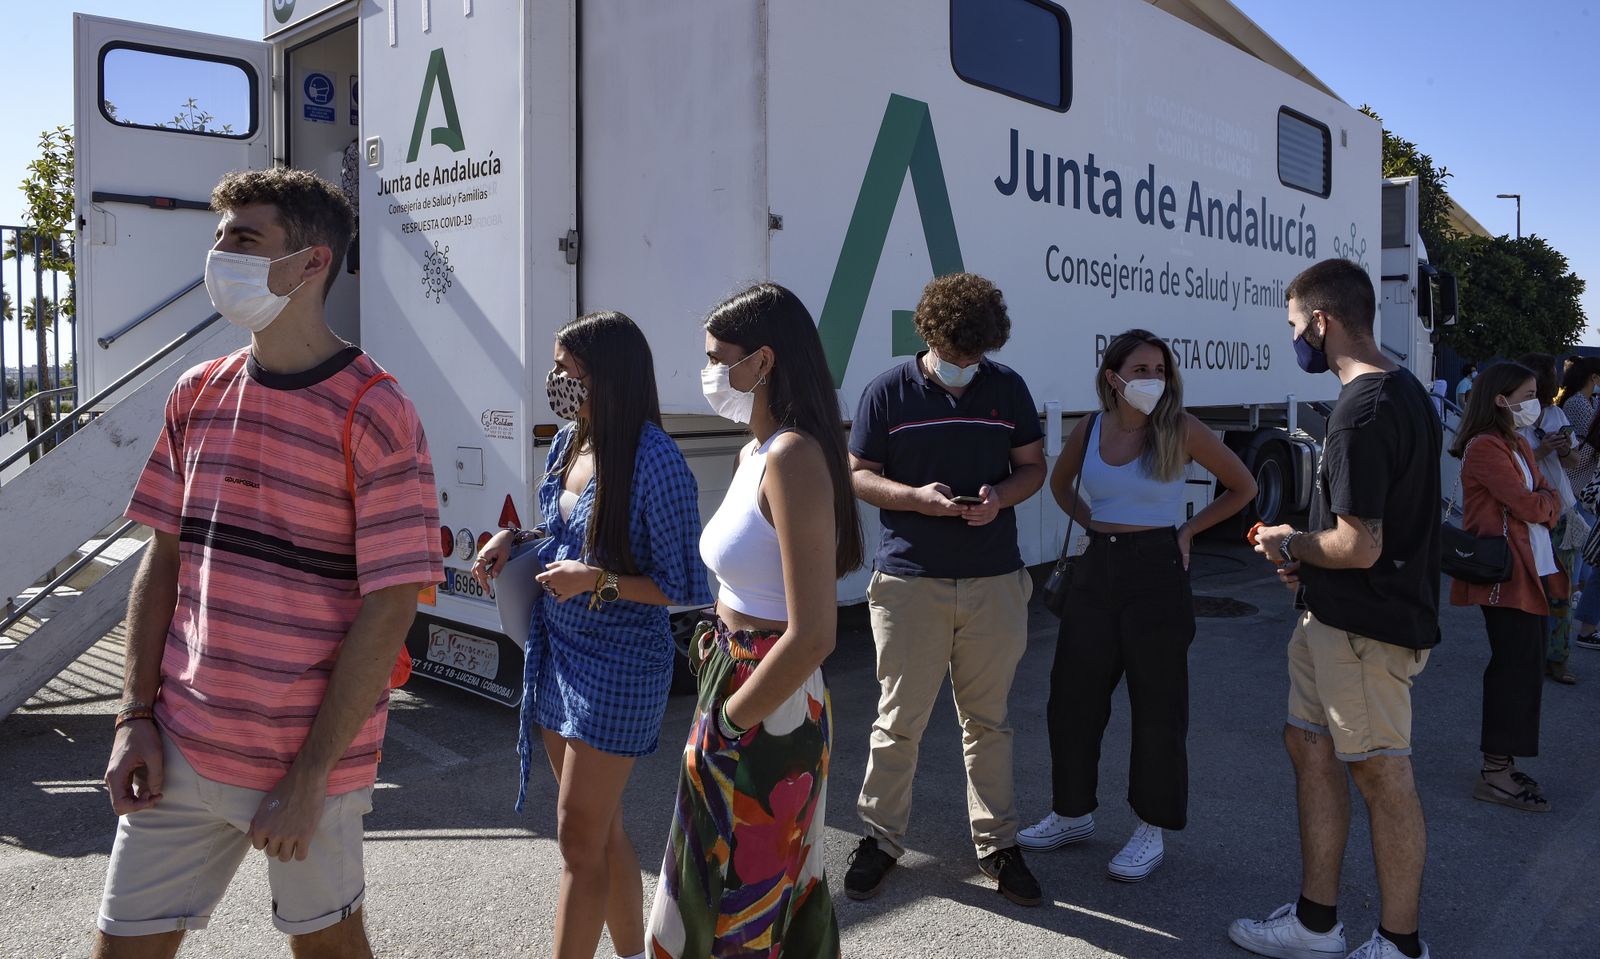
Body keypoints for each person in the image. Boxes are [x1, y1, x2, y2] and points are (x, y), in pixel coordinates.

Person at [94, 169, 444, 958]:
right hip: (180, 744)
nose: (220, 257)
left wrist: (310, 777)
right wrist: (133, 716)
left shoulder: (376, 412)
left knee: (328, 946)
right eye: (219, 239)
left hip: (306, 765)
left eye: (244, 240)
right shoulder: (196, 393)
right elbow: (164, 560)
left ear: (313, 262)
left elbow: (390, 606)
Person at [474, 312, 712, 959]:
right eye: (557, 367)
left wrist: (597, 581)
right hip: (558, 652)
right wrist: (514, 539)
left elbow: (686, 583)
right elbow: (561, 530)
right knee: (597, 830)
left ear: (607, 374)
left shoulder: (657, 461)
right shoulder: (572, 440)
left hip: (620, 666)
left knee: (577, 839)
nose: (558, 380)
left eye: (568, 369)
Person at [647, 283, 864, 958]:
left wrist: (733, 717)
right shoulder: (755, 452)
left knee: (747, 904)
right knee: (715, 889)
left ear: (762, 361)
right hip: (738, 682)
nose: (711, 372)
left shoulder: (794, 456)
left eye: (720, 357)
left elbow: (814, 632)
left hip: (769, 701)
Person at [1231, 259, 1441, 959]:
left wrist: (1292, 540)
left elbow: (1359, 544)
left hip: (1366, 633)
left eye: (1295, 326)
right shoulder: (1403, 390)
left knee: (1382, 773)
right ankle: (1316, 923)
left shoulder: (1362, 412)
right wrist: (1303, 564)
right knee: (1311, 747)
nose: (1295, 339)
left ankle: (1399, 943)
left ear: (1322, 321)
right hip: (1333, 622)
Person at [1017, 330, 1255, 882]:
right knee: (1072, 700)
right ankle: (1071, 813)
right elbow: (1058, 485)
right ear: (1113, 376)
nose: (1153, 378)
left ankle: (1151, 828)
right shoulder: (1090, 428)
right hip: (1097, 567)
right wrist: (1093, 525)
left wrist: (1190, 531)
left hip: (1157, 569)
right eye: (1141, 368)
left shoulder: (1180, 428)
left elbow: (1241, 487)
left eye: (1160, 369)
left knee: (1158, 707)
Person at [843, 272, 1047, 907]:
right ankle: (880, 839)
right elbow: (858, 475)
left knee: (988, 723)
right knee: (898, 721)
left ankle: (998, 844)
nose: (966, 366)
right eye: (956, 354)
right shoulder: (887, 392)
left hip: (994, 579)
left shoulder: (1006, 386)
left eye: (976, 355)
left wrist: (999, 496)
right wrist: (916, 501)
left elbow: (1032, 467)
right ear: (929, 334)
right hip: (909, 583)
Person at [1448, 361, 1565, 812]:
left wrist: (1542, 503)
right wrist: (1542, 503)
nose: (1536, 403)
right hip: (1506, 575)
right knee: (1512, 671)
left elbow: (1543, 496)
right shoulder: (1484, 447)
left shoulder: (1516, 442)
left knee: (1526, 669)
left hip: (1530, 572)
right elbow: (1529, 502)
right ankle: (1495, 772)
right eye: (1529, 393)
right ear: (1501, 398)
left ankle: (1504, 763)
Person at [1519, 352, 1580, 685]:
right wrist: (1541, 451)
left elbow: (1573, 461)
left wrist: (1562, 448)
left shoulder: (1555, 414)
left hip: (1559, 510)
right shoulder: (1510, 417)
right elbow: (1513, 464)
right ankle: (1530, 655)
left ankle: (1557, 658)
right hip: (1527, 512)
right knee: (1528, 588)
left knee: (1561, 589)